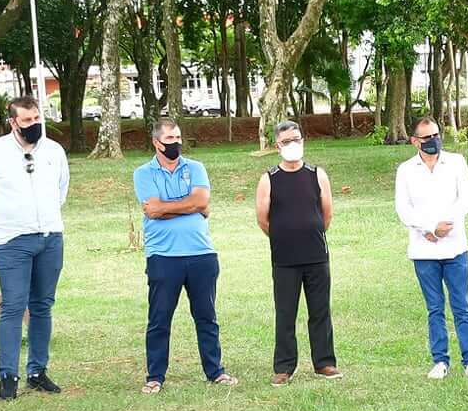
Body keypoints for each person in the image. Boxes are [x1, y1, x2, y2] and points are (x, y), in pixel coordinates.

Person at [0, 96, 69, 402]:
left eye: (37, 118)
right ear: (13, 122)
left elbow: (61, 191)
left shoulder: (53, 151)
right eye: (27, 120)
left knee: (43, 306)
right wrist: (5, 225)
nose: (34, 124)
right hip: (12, 242)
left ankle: (37, 371)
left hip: (50, 238)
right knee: (13, 307)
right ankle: (7, 375)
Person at [135, 117, 236, 393]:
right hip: (163, 257)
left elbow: (200, 201)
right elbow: (152, 209)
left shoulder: (196, 168)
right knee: (159, 319)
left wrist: (169, 207)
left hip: (201, 254)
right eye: (169, 140)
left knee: (206, 316)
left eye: (178, 138)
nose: (176, 144)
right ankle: (155, 376)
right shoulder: (143, 173)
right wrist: (191, 206)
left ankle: (215, 371)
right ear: (156, 143)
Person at [395, 117, 468, 380]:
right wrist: (428, 228)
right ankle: (440, 360)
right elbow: (403, 207)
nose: (433, 140)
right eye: (426, 137)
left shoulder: (456, 162)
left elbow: (465, 199)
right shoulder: (406, 170)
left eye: (436, 134)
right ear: (415, 142)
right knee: (435, 308)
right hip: (424, 250)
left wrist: (448, 225)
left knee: (461, 306)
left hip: (455, 246)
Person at [255, 120, 340, 384]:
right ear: (277, 146)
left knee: (320, 311)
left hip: (316, 255)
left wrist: (310, 231)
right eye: (287, 141)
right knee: (285, 313)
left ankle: (324, 362)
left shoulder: (317, 174)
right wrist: (283, 235)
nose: (293, 145)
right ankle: (284, 367)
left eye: (297, 139)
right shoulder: (269, 179)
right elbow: (263, 219)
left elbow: (326, 214)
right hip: (285, 259)